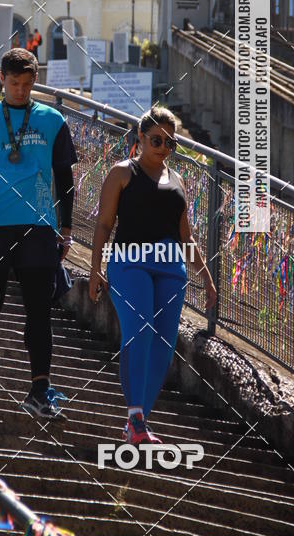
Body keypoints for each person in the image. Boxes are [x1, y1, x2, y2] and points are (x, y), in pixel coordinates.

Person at [0, 48, 78, 419]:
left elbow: (65, 179)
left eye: (27, 83)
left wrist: (66, 227)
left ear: (35, 81)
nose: (21, 90)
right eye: (14, 83)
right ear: (1, 80)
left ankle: (39, 390)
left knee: (38, 310)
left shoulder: (53, 120)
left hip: (39, 226)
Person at [89, 106, 217, 444]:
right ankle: (134, 418)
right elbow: (104, 224)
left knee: (163, 343)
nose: (162, 147)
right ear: (141, 138)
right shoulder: (121, 173)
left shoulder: (176, 181)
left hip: (171, 269)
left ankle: (138, 422)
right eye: (156, 139)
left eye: (170, 143)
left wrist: (205, 275)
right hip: (129, 262)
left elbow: (185, 236)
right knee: (140, 329)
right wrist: (95, 269)